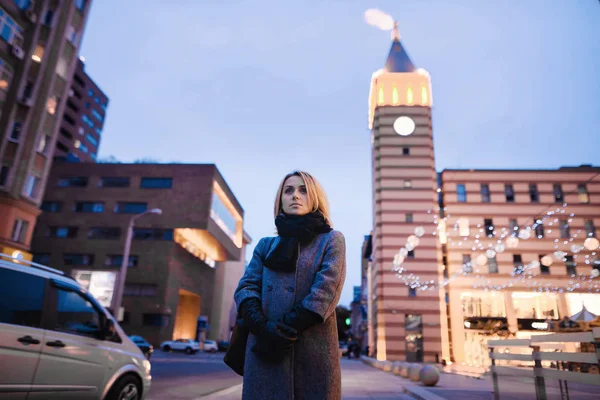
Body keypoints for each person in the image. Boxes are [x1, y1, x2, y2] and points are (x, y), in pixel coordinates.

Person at [234, 170, 346, 400]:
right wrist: (264, 327)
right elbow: (246, 287)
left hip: (312, 354)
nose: (295, 195)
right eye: (289, 190)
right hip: (264, 353)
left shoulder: (331, 240)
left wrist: (284, 330)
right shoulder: (266, 245)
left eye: (303, 190)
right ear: (280, 200)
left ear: (314, 197)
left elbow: (325, 293)